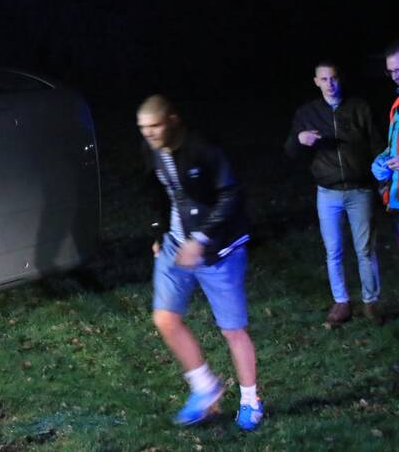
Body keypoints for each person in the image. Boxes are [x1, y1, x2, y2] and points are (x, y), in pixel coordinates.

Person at [138, 95, 262, 431]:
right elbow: (156, 192)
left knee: (232, 330)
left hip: (218, 249)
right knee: (165, 318)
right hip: (175, 245)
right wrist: (159, 231)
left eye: (154, 126)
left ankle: (251, 400)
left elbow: (230, 195)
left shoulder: (203, 147)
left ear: (172, 120)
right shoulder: (151, 149)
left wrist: (202, 239)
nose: (149, 134)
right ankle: (205, 387)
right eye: (143, 128)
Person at [284, 62, 382, 326]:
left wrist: (382, 178)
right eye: (324, 79)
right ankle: (341, 302)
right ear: (316, 82)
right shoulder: (307, 113)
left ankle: (371, 301)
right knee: (333, 250)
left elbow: (377, 144)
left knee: (365, 249)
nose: (330, 84)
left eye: (334, 78)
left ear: (341, 79)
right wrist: (299, 140)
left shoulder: (359, 108)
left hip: (359, 189)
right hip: (327, 192)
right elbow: (290, 150)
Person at [372, 41, 399, 252]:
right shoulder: (396, 105)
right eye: (391, 71)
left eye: (398, 69)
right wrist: (382, 159)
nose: (395, 76)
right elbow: (393, 145)